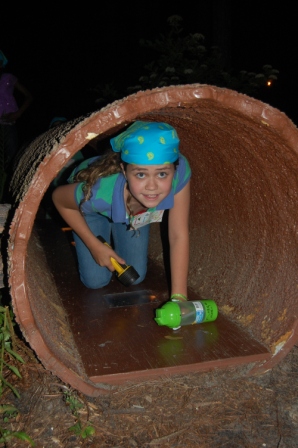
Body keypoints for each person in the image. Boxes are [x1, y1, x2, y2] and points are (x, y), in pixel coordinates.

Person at [52, 121, 191, 301]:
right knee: (96, 281)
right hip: (89, 210)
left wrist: (179, 298)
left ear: (174, 170)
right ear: (124, 172)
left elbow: (178, 234)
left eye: (162, 174)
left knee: (136, 276)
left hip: (134, 211)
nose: (152, 186)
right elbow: (59, 199)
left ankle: (122, 225)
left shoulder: (180, 174)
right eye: (140, 174)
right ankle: (101, 232)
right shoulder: (98, 191)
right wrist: (95, 246)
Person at [0, 50, 33, 170]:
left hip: (8, 123)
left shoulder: (8, 77)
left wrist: (17, 114)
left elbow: (29, 96)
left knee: (10, 160)